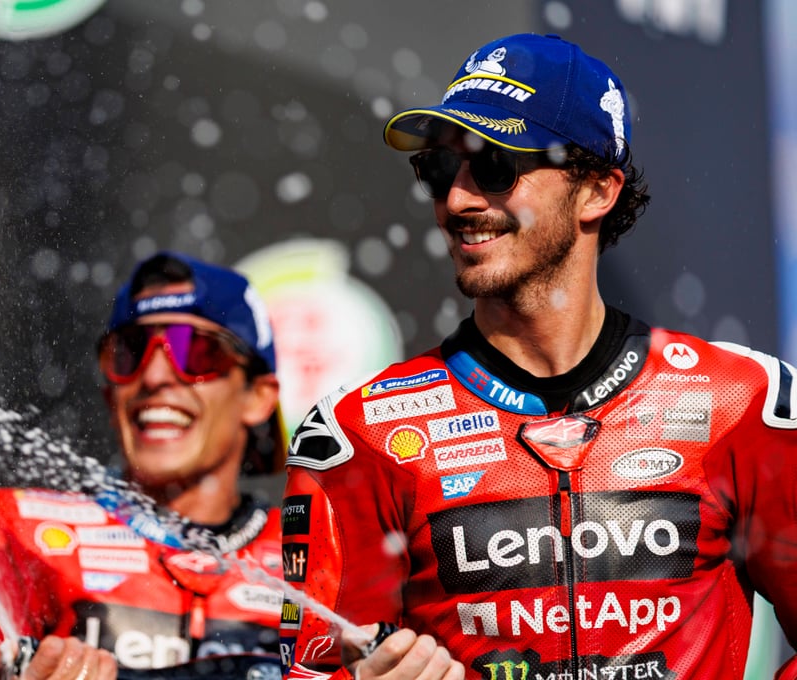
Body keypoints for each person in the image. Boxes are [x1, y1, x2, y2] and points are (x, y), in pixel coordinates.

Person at [280, 32, 797, 680]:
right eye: (439, 170)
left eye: (495, 166)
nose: (458, 200)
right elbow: (311, 669)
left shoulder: (743, 402)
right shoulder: (358, 437)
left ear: (596, 190)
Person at [0, 251, 293, 680]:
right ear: (110, 397)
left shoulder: (318, 562)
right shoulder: (6, 534)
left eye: (195, 351)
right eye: (130, 352)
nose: (154, 376)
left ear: (258, 397)